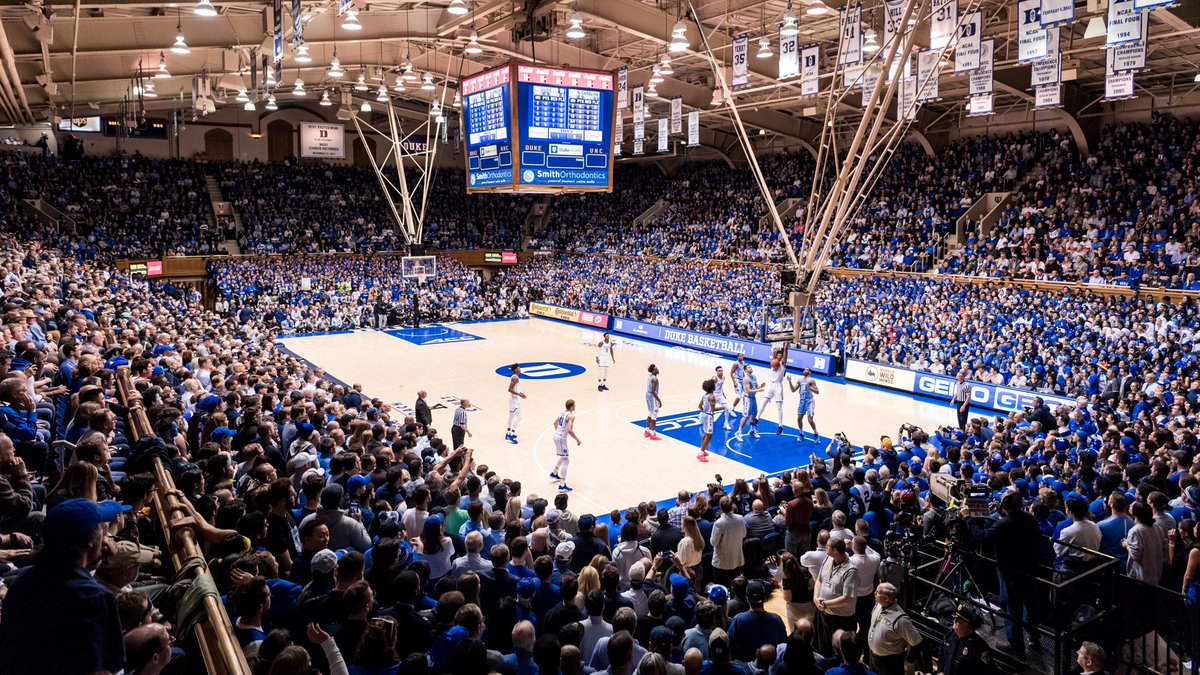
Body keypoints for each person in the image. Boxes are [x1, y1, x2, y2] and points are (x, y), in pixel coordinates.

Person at [0, 498, 128, 674]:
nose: (105, 531)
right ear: (89, 543)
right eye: (101, 528)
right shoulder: (95, 598)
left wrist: (95, 556)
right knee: (159, 638)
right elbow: (104, 669)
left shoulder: (22, 581)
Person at [814, 537, 859, 656]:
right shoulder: (828, 558)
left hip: (841, 619)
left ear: (835, 551)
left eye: (828, 547)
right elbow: (819, 579)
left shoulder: (851, 570)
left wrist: (825, 604)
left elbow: (847, 598)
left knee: (840, 652)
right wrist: (815, 598)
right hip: (823, 614)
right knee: (823, 648)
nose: (825, 548)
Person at [866, 583, 920, 675]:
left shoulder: (901, 620)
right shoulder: (878, 605)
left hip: (890, 663)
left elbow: (916, 642)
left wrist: (909, 661)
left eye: (878, 592)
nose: (874, 593)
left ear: (887, 598)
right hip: (873, 657)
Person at [940, 604, 996, 675]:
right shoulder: (950, 635)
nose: (954, 621)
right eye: (955, 619)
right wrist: (940, 671)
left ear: (969, 626)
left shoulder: (978, 646)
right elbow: (941, 653)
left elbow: (987, 671)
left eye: (959, 621)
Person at [711, 496, 746, 586]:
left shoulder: (718, 523)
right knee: (736, 586)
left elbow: (713, 542)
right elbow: (744, 534)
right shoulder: (740, 518)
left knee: (723, 587)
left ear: (720, 507)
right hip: (737, 558)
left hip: (722, 562)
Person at [550, 399, 581, 492]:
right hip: (561, 438)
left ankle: (554, 473)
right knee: (566, 461)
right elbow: (569, 430)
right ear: (571, 407)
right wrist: (577, 439)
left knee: (563, 456)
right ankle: (562, 485)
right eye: (574, 405)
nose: (575, 406)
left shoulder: (562, 413)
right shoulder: (571, 416)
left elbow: (555, 423)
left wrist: (558, 433)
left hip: (556, 436)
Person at [760, 345, 789, 434]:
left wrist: (786, 347)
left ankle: (780, 425)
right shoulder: (773, 362)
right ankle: (757, 418)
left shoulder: (782, 364)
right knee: (764, 401)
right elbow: (774, 355)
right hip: (770, 385)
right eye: (778, 355)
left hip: (778, 386)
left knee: (779, 406)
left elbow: (785, 356)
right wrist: (774, 347)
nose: (779, 356)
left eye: (780, 355)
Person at [788, 368, 819, 443]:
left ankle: (816, 434)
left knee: (810, 420)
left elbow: (817, 392)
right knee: (799, 418)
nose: (805, 370)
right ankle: (801, 434)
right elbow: (793, 390)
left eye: (807, 370)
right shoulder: (800, 380)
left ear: (810, 372)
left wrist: (810, 388)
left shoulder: (811, 381)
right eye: (804, 369)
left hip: (809, 401)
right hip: (802, 401)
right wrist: (790, 382)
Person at [734, 365, 764, 441]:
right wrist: (758, 390)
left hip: (753, 398)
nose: (750, 368)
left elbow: (756, 387)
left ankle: (752, 430)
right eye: (748, 368)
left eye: (750, 367)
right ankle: (738, 432)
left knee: (754, 414)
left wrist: (761, 386)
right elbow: (748, 391)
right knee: (746, 416)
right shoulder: (746, 379)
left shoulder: (754, 376)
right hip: (747, 398)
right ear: (746, 370)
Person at [697, 379, 723, 463]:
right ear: (712, 387)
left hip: (704, 415)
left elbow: (699, 406)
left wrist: (704, 412)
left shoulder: (705, 395)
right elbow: (713, 409)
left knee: (706, 433)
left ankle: (702, 450)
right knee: (709, 436)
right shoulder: (712, 397)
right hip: (708, 417)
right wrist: (723, 408)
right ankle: (700, 454)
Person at [506, 364, 526, 444]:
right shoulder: (515, 378)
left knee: (511, 416)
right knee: (519, 417)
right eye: (518, 368)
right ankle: (511, 434)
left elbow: (514, 389)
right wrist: (519, 395)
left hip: (512, 398)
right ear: (515, 370)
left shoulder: (515, 377)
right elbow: (510, 389)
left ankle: (508, 433)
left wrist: (520, 393)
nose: (520, 369)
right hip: (514, 399)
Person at [712, 366, 733, 432]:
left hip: (720, 396)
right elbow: (709, 386)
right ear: (716, 372)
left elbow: (720, 387)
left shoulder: (723, 377)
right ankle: (704, 418)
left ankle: (726, 423)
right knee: (711, 409)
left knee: (726, 408)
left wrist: (723, 394)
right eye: (719, 371)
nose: (721, 372)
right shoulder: (714, 378)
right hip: (714, 396)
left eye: (722, 370)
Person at [646, 365, 663, 441]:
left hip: (648, 395)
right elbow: (653, 391)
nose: (657, 369)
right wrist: (659, 400)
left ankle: (647, 431)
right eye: (656, 369)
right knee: (654, 415)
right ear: (653, 371)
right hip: (653, 396)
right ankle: (653, 434)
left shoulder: (650, 377)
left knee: (650, 413)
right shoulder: (655, 379)